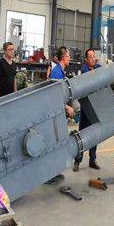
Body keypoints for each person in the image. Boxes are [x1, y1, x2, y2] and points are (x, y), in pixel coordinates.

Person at [44, 46, 75, 185]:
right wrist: (66, 107)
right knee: (53, 142)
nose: (70, 58)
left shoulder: (61, 71)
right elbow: (53, 95)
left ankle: (54, 171)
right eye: (68, 56)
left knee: (58, 142)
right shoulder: (56, 72)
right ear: (63, 57)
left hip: (59, 112)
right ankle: (49, 174)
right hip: (54, 113)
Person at [74, 48, 102, 171]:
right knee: (82, 134)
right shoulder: (84, 70)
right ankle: (77, 160)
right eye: (90, 57)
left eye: (94, 56)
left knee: (95, 134)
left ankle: (92, 160)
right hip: (86, 109)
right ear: (86, 59)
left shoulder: (98, 67)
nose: (93, 59)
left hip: (95, 106)